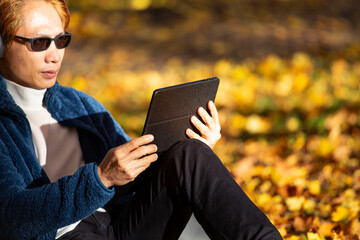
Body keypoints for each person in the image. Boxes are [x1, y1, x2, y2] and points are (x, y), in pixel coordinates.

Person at [0, 0, 283, 239]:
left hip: (123, 226)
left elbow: (135, 176)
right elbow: (10, 216)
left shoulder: (79, 104)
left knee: (190, 154)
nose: (54, 55)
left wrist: (186, 149)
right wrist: (99, 179)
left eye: (61, 40)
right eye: (39, 43)